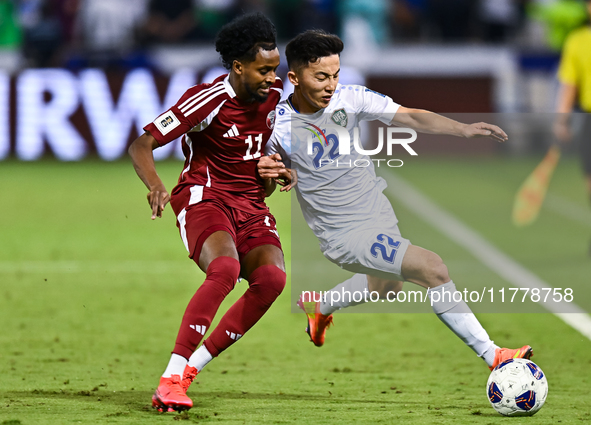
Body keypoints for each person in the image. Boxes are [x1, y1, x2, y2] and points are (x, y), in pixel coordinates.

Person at [258, 29, 532, 372]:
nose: (331, 85)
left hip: (377, 214)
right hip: (343, 235)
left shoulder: (351, 99)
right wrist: (272, 174)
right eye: (321, 77)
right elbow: (263, 187)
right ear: (295, 78)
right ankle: (494, 355)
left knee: (386, 285)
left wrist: (461, 129)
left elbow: (411, 116)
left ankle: (321, 306)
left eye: (336, 75)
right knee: (432, 268)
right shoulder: (275, 126)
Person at [128, 13, 286, 412]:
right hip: (205, 196)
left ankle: (190, 370)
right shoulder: (208, 100)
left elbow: (262, 163)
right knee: (226, 270)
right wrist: (157, 186)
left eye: (274, 68)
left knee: (271, 279)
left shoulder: (274, 97)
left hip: (251, 202)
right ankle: (169, 379)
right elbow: (141, 145)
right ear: (237, 67)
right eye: (263, 69)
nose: (272, 77)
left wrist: (276, 170)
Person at [554, 0, 591, 253]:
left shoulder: (578, 39)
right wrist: (562, 119)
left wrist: (561, 120)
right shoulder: (578, 40)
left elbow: (569, 86)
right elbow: (570, 85)